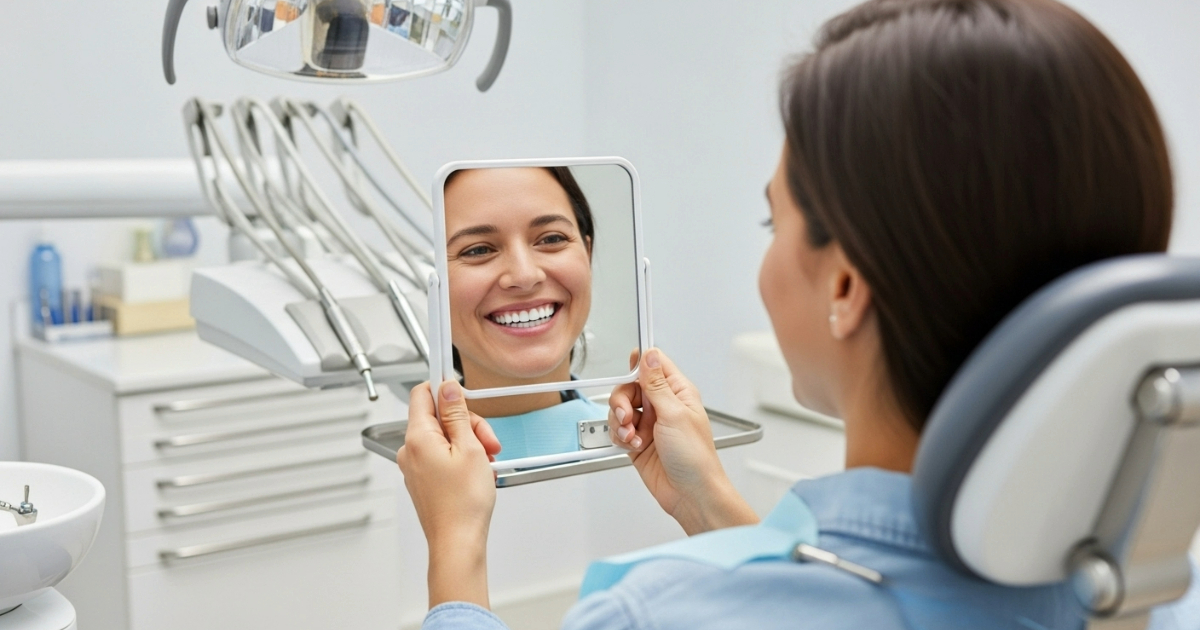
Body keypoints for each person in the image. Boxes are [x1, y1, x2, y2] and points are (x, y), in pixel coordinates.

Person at [398, 0, 1197, 627]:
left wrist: (457, 550)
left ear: (845, 287)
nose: (524, 272)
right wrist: (708, 499)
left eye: (772, 223)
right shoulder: (1154, 592)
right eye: (475, 251)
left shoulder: (654, 615)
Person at [442, 166, 608, 461]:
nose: (525, 275)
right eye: (478, 250)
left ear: (588, 252)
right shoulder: (394, 473)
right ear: (432, 283)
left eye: (551, 239)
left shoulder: (657, 447)